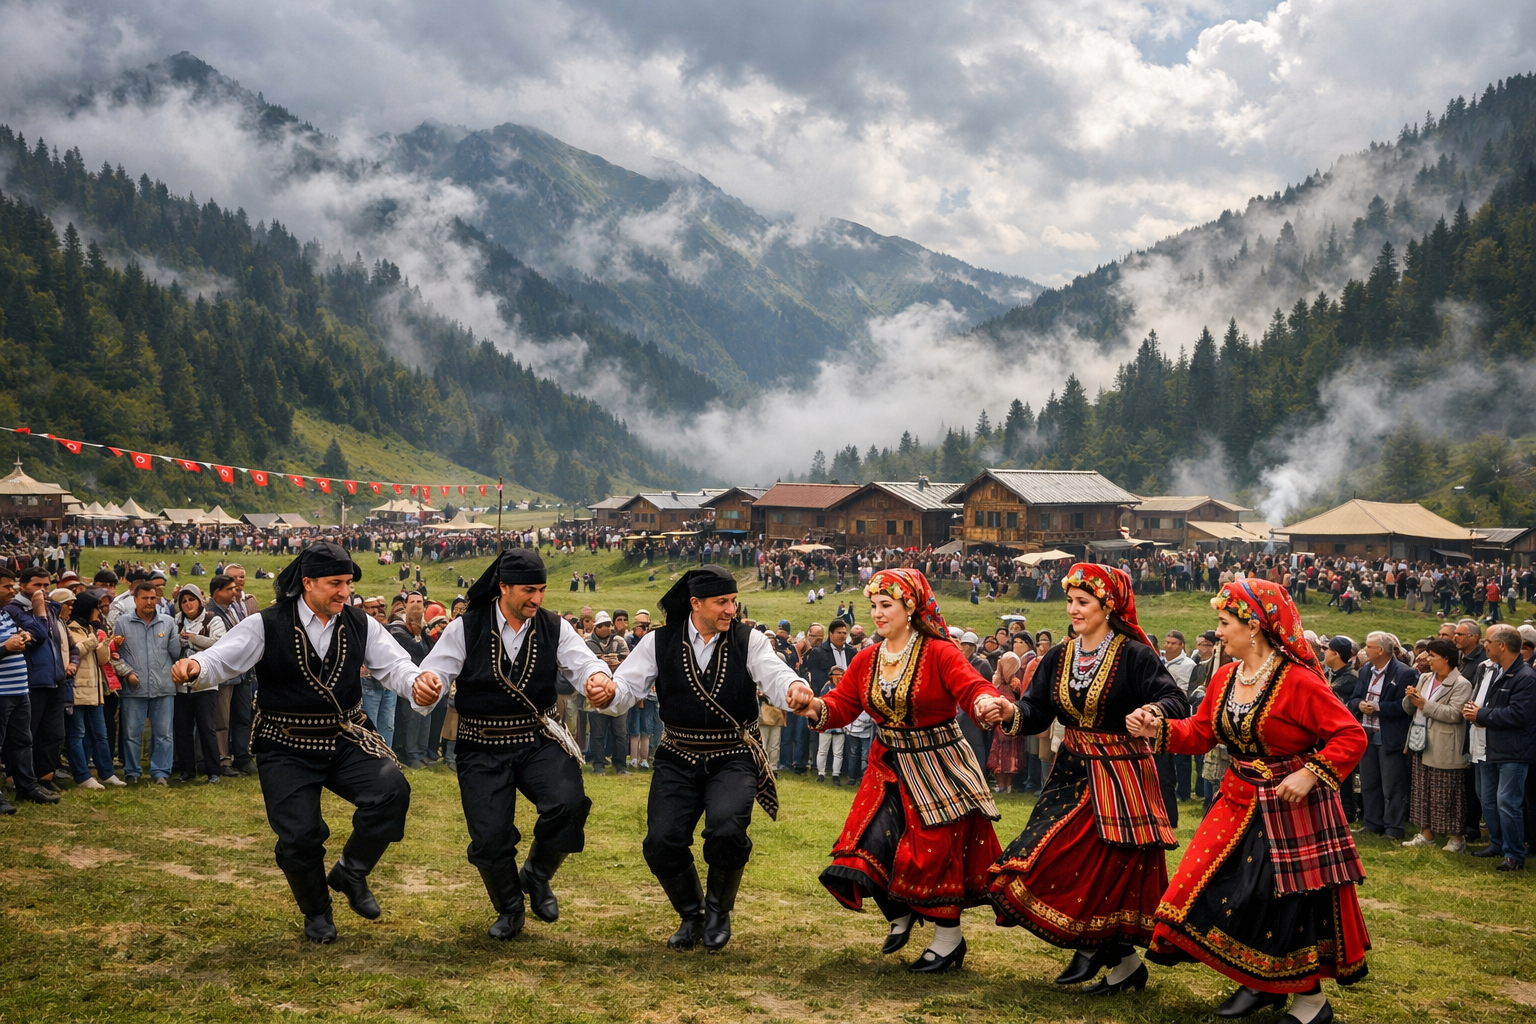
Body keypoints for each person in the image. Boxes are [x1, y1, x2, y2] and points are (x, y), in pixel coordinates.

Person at [171, 542, 443, 943]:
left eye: (348, 583)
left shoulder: (360, 624)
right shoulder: (267, 623)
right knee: (299, 835)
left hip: (344, 735)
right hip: (284, 743)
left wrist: (418, 683)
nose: (344, 592)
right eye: (336, 583)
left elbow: (395, 665)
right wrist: (196, 667)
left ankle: (351, 872)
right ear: (307, 582)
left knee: (391, 790)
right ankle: (317, 912)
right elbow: (223, 658)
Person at [1130, 577, 1369, 1024]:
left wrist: (1311, 772)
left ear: (1254, 626)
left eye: (1223, 623)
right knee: (1199, 887)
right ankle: (1259, 981)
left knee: (1283, 902)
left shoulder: (1299, 681)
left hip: (1290, 808)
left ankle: (1309, 1002)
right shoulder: (1224, 677)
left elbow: (1350, 735)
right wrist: (1156, 729)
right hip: (1236, 801)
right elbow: (1202, 733)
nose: (1217, 632)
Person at [585, 565, 813, 952]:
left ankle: (718, 912)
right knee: (661, 842)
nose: (730, 609)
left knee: (726, 832)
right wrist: (608, 694)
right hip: (677, 754)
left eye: (733, 601)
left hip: (733, 754)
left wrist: (794, 688)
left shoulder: (749, 640)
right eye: (722, 602)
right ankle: (693, 915)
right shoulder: (659, 641)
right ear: (695, 603)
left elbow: (775, 674)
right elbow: (627, 684)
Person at [987, 563, 1187, 994]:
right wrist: (1010, 713)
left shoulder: (1135, 653)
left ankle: (1100, 949)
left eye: (1083, 602)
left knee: (1103, 866)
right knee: (1047, 853)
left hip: (1122, 777)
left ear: (1107, 605)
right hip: (1072, 770)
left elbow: (1175, 698)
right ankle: (1121, 961)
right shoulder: (1060, 656)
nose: (1073, 610)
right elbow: (1037, 710)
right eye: (1070, 602)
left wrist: (1151, 713)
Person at [799, 568, 1009, 973]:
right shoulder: (868, 658)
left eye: (886, 605)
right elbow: (842, 704)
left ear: (910, 607)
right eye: (874, 606)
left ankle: (949, 941)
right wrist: (814, 707)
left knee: (932, 856)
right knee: (867, 845)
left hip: (938, 766)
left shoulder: (940, 652)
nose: (877, 614)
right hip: (887, 766)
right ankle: (900, 912)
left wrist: (985, 701)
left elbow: (972, 685)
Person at [417, 549, 613, 939]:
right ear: (503, 587)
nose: (537, 599)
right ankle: (509, 908)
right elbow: (435, 670)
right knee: (490, 837)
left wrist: (596, 677)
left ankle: (537, 875)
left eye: (541, 590)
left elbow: (584, 662)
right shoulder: (466, 627)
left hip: (537, 739)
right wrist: (428, 685)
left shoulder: (554, 626)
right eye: (528, 590)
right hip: (480, 744)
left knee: (568, 802)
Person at [1462, 623, 1536, 871]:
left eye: (1488, 641)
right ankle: (1497, 843)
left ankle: (1514, 854)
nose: (1485, 645)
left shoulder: (1525, 677)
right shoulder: (1494, 671)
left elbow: (1518, 715)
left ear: (1502, 646)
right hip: (1490, 746)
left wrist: (1481, 715)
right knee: (1489, 799)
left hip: (1513, 750)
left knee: (1507, 801)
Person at [1402, 637, 1471, 852]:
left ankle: (1456, 838)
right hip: (1420, 741)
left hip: (1445, 745)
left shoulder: (1461, 684)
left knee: (1446, 793)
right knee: (1422, 791)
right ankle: (1426, 834)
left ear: (1446, 658)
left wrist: (1424, 704)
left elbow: (1455, 714)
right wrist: (1410, 697)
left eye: (1432, 656)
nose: (1427, 659)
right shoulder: (1425, 678)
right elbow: (1409, 710)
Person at [112, 580, 182, 785]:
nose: (150, 602)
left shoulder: (168, 622)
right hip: (134, 686)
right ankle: (132, 772)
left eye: (153, 598)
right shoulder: (122, 623)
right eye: (145, 598)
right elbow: (114, 655)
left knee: (164, 734)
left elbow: (176, 653)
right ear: (135, 599)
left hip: (163, 686)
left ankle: (160, 773)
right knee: (131, 733)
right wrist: (127, 673)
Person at [1349, 632, 1416, 840]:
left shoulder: (1405, 673)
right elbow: (1354, 699)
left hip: (1389, 737)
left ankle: (1394, 828)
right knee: (1369, 783)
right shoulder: (1365, 670)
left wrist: (1377, 707)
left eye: (1368, 647)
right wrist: (1359, 705)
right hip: (1367, 735)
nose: (1364, 650)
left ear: (1380, 650)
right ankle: (1372, 823)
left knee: (1392, 786)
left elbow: (1405, 707)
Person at [63, 591, 124, 789]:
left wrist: (105, 643)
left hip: (95, 690)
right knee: (78, 733)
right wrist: (92, 641)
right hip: (77, 690)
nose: (99, 612)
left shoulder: (91, 628)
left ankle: (106, 773)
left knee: (101, 734)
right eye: (96, 608)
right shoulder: (69, 628)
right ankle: (82, 775)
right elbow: (74, 652)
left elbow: (101, 660)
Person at [172, 585, 225, 784]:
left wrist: (194, 640)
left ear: (199, 600)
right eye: (184, 601)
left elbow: (220, 644)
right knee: (183, 729)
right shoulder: (177, 621)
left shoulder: (213, 620)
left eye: (191, 599)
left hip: (205, 684)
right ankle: (187, 770)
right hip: (181, 685)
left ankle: (214, 771)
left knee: (206, 728)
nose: (188, 604)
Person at [585, 611, 630, 775]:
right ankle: (598, 764)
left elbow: (628, 663)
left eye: (607, 624)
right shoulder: (587, 643)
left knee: (620, 733)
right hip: (597, 693)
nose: (605, 627)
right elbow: (585, 666)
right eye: (601, 625)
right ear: (596, 626)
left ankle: (621, 765)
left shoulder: (620, 641)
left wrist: (612, 662)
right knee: (597, 732)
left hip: (618, 692)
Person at [1323, 635, 1362, 822]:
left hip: (1342, 733)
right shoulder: (1331, 674)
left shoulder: (1350, 678)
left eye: (1327, 649)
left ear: (1336, 654)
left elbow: (1329, 695)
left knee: (1344, 776)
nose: (1323, 652)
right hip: (1327, 732)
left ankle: (1347, 812)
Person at [987, 652, 1032, 794]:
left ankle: (1008, 785)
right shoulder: (996, 680)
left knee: (1011, 752)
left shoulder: (1016, 683)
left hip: (1012, 719)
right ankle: (1001, 784)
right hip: (999, 719)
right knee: (1000, 751)